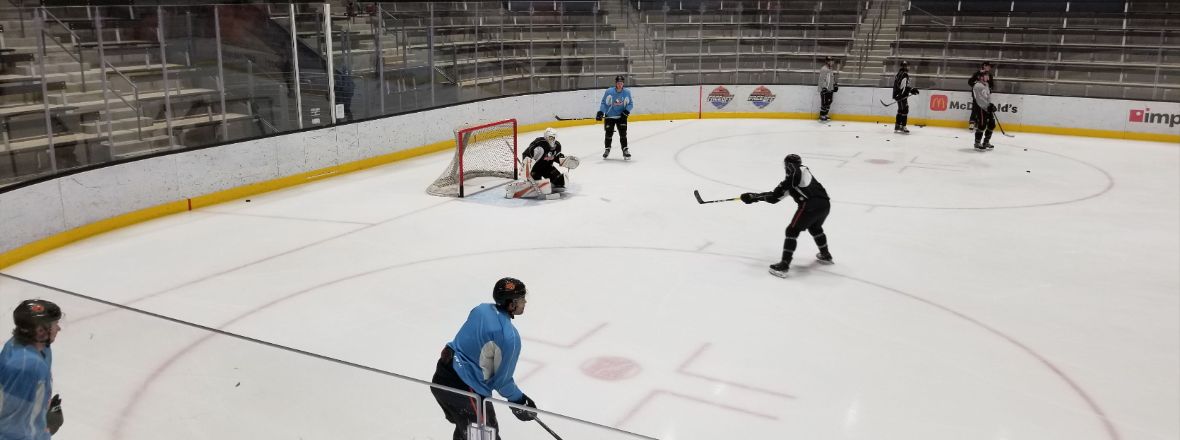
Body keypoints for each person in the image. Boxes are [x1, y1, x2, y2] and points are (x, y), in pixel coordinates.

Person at [431, 277, 538, 440]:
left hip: (442, 376)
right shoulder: (509, 337)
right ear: (511, 305)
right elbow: (502, 381)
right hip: (467, 392)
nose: (525, 302)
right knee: (484, 437)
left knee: (466, 433)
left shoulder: (481, 309)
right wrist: (519, 401)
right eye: (521, 299)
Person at [740, 154, 833, 278]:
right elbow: (774, 197)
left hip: (810, 205)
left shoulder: (800, 170)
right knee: (815, 228)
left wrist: (789, 173)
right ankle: (825, 255)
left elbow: (794, 174)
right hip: (824, 204)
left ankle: (784, 265)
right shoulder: (795, 180)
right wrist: (755, 197)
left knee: (791, 231)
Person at [1, 299, 65, 440]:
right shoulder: (26, 366)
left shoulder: (38, 349)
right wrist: (44, 431)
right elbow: (10, 425)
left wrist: (43, 412)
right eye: (55, 324)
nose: (58, 329)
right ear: (40, 331)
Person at [522, 128, 578, 193]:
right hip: (535, 168)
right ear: (546, 137)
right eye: (551, 137)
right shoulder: (539, 143)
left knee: (560, 181)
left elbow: (556, 156)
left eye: (554, 138)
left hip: (547, 167)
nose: (552, 140)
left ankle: (551, 183)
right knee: (535, 183)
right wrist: (533, 155)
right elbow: (528, 153)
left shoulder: (557, 146)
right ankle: (531, 181)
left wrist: (564, 160)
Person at [596, 75, 634, 160]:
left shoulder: (627, 92)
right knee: (609, 133)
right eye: (618, 83)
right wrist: (601, 112)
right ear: (616, 83)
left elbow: (630, 104)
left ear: (623, 83)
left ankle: (625, 150)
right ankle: (607, 149)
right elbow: (604, 103)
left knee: (623, 134)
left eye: (621, 83)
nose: (620, 85)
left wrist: (627, 111)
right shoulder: (609, 91)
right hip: (610, 116)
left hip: (621, 116)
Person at [966, 62, 996, 131]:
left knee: (983, 110)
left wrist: (988, 90)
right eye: (988, 66)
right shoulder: (977, 74)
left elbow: (991, 85)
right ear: (984, 66)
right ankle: (972, 122)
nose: (990, 68)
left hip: (985, 96)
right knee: (975, 108)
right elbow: (970, 82)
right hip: (977, 95)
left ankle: (979, 123)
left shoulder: (990, 75)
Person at [892, 60, 918, 134]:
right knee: (905, 109)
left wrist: (896, 95)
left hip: (898, 95)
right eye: (906, 66)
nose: (906, 67)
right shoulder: (904, 74)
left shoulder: (899, 74)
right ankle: (903, 126)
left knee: (901, 109)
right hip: (901, 95)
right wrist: (911, 90)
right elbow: (903, 87)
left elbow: (900, 86)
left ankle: (897, 126)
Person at [972, 72, 997, 150]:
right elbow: (979, 99)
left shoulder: (986, 85)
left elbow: (987, 97)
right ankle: (977, 143)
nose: (988, 78)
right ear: (981, 77)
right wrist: (987, 106)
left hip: (987, 107)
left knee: (992, 124)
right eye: (986, 76)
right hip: (980, 107)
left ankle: (986, 142)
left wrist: (991, 105)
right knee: (982, 125)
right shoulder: (977, 86)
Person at [817, 57, 839, 121]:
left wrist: (835, 85)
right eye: (831, 61)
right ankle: (822, 115)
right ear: (827, 62)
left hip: (830, 88)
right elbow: (821, 79)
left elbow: (832, 78)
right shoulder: (824, 69)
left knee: (829, 101)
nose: (832, 62)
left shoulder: (830, 69)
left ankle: (826, 114)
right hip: (825, 89)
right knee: (824, 102)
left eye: (832, 61)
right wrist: (823, 88)